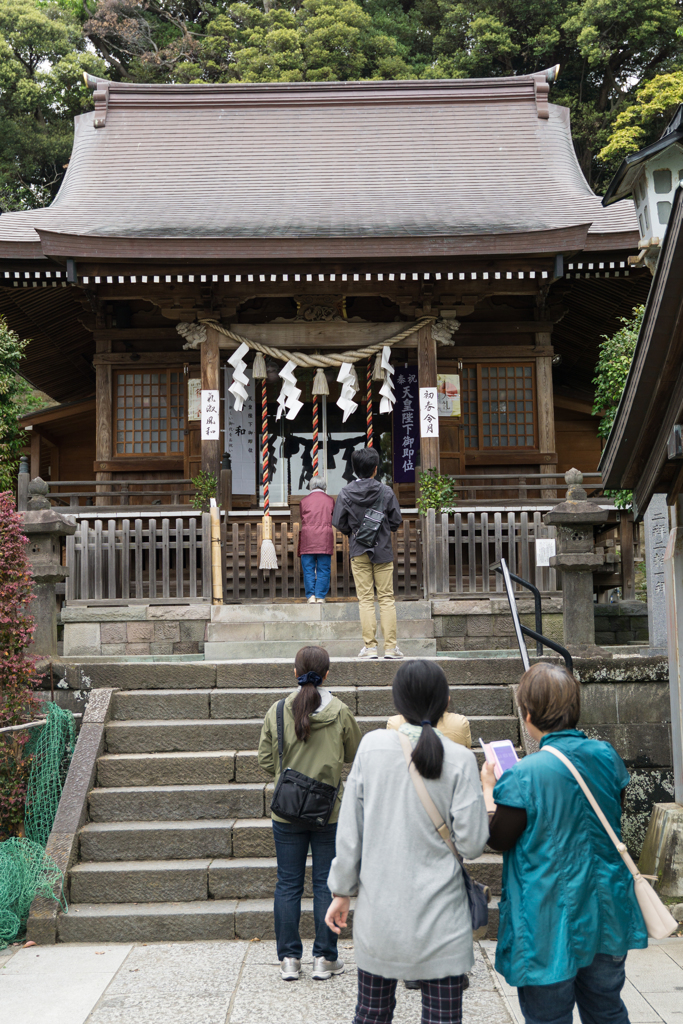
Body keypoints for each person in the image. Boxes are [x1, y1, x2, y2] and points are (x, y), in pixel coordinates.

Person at [482, 662, 647, 1024]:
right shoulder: (605, 755)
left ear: (528, 713)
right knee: (607, 1009)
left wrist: (488, 791)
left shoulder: (522, 775)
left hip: (548, 920)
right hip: (606, 909)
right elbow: (611, 816)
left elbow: (499, 839)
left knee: (548, 1017)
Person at [325, 660, 489, 1024]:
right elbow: (474, 844)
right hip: (443, 920)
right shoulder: (460, 760)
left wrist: (341, 891)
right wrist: (488, 788)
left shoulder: (371, 748)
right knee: (443, 1018)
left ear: (398, 702)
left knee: (372, 1013)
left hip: (381, 915)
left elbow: (350, 832)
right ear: (445, 701)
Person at [258, 645, 362, 983]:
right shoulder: (341, 712)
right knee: (324, 884)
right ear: (328, 674)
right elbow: (352, 754)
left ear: (294, 672)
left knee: (287, 883)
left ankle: (289, 959)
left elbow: (264, 759)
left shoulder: (277, 711)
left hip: (286, 812)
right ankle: (324, 958)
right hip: (328, 812)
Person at [332, 446, 403, 660]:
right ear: (375, 469)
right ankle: (390, 648)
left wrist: (354, 533)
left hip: (359, 548)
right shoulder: (386, 491)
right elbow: (396, 521)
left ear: (354, 469)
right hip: (382, 549)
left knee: (365, 599)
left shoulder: (345, 492)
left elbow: (338, 522)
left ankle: (370, 648)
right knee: (386, 598)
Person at [299, 476, 335, 603]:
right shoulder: (330, 500)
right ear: (324, 486)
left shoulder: (304, 501)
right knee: (324, 568)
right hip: (324, 538)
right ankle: (320, 596)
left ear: (311, 486)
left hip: (307, 538)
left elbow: (302, 517)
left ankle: (311, 596)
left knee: (308, 568)